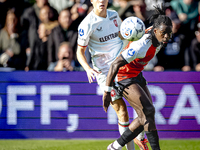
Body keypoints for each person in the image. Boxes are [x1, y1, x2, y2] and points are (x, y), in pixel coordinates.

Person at [76, 0, 149, 150]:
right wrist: (88, 68)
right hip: (104, 73)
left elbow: (123, 35)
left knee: (143, 106)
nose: (101, 1)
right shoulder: (86, 24)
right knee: (122, 112)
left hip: (123, 67)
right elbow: (79, 52)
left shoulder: (114, 15)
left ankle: (140, 137)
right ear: (91, 1)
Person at [103, 4, 172, 150]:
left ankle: (114, 147)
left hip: (136, 73)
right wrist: (107, 91)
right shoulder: (141, 45)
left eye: (169, 33)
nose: (166, 37)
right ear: (155, 31)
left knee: (148, 114)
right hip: (123, 76)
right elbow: (115, 64)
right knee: (147, 111)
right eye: (164, 33)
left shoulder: (159, 40)